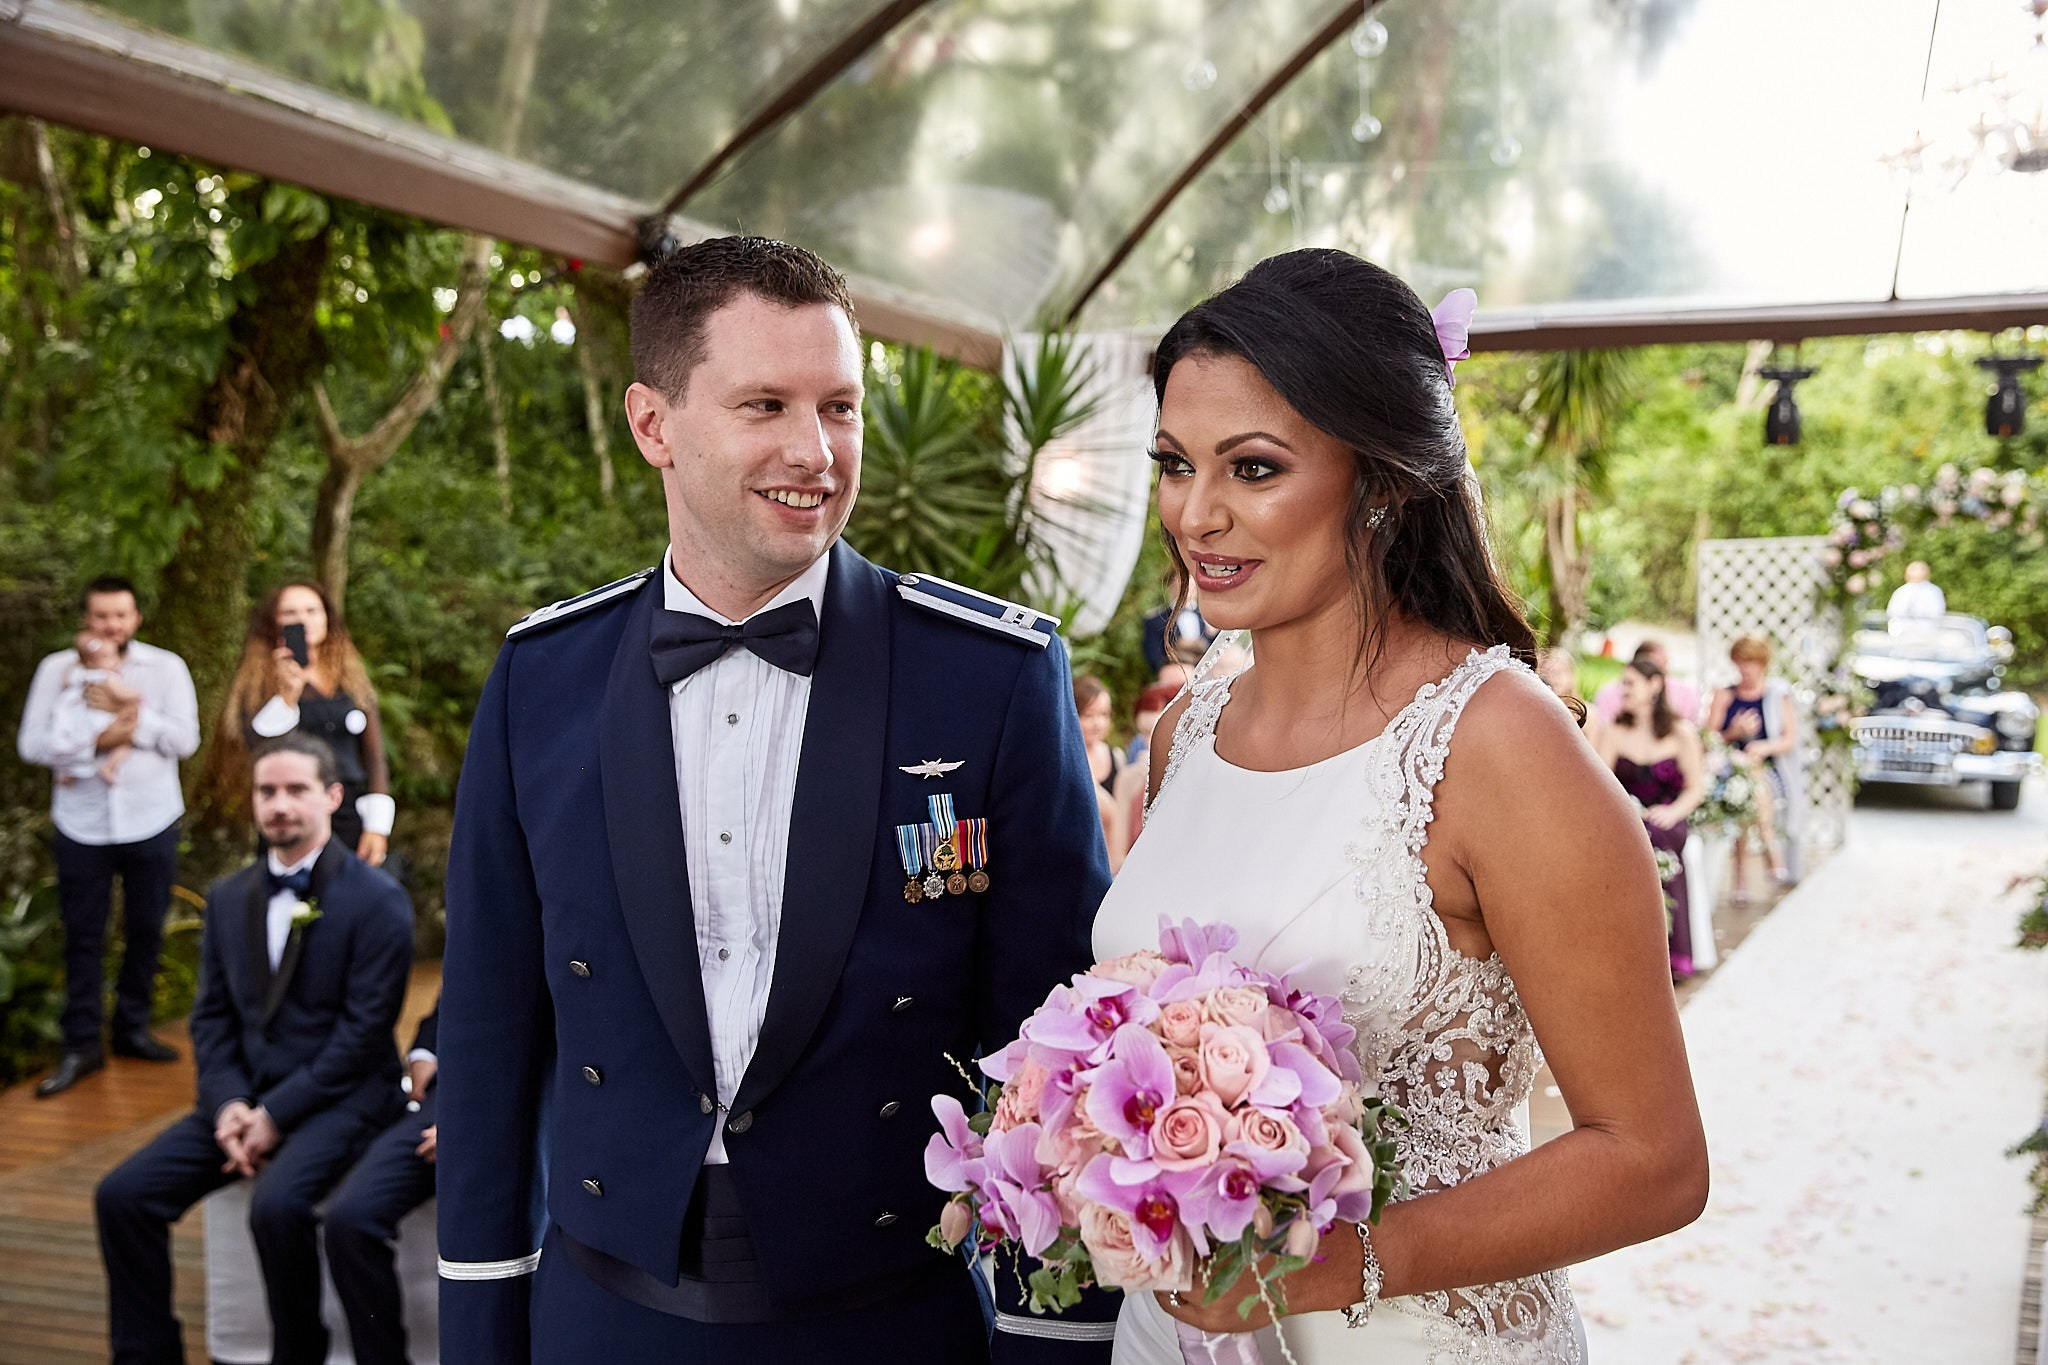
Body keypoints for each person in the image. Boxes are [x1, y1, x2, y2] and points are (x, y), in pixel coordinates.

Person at [435, 236, 1116, 1363]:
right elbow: (489, 1033)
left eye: (839, 407)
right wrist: (478, 1319)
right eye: (765, 405)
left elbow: (1051, 1039)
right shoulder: (541, 678)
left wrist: (1055, 1337)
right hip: (603, 1318)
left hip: (891, 1319)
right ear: (652, 424)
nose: (815, 451)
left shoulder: (987, 676)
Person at [1091, 249, 1706, 1363]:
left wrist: (1345, 1262)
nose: (1196, 513)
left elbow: (1653, 1160)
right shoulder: (1186, 733)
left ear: (1379, 481)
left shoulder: (1501, 748)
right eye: (1175, 464)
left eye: (1254, 468)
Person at [94, 734, 413, 1364]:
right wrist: (229, 1107)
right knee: (123, 1196)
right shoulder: (227, 895)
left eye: (296, 790)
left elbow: (363, 1036)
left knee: (277, 1206)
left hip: (344, 1098)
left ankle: (298, 1353)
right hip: (244, 1096)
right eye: (267, 791)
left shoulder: (379, 902)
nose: (279, 805)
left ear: (332, 797)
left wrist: (275, 1115)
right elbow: (211, 1018)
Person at [17, 576, 200, 1098]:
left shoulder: (165, 668)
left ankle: (132, 1029)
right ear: (86, 618)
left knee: (146, 927)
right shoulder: (57, 670)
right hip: (81, 822)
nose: (111, 625)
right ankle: (81, 1045)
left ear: (136, 617)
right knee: (82, 935)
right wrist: (101, 739)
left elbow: (184, 739)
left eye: (120, 615)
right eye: (101, 616)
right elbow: (32, 744)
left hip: (151, 817)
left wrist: (129, 714)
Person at [216, 581, 395, 864]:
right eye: (290, 613)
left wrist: (377, 827)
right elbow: (258, 746)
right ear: (274, 622)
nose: (303, 620)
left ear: (327, 617)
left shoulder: (351, 678)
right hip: (289, 813)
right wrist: (287, 697)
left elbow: (374, 757)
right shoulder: (259, 680)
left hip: (349, 812)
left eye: (312, 611)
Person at [323, 1000, 440, 1365]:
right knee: (350, 1218)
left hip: (525, 1106)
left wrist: (479, 1118)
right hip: (441, 1101)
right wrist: (425, 1053)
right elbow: (450, 1004)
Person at [1596, 658, 1708, 980]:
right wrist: (1628, 813)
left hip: (1669, 819)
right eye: (1623, 683)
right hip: (1627, 818)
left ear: (1654, 685)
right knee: (1635, 837)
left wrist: (1672, 812)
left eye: (1630, 683)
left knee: (1657, 836)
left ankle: (1674, 954)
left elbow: (1695, 790)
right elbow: (1600, 784)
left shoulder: (1681, 733)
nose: (1623, 690)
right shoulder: (1613, 732)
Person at [1706, 635, 1802, 898]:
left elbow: (1789, 739)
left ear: (1762, 664)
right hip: (1728, 770)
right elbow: (1709, 737)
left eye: (1751, 662)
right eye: (1741, 662)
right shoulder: (1725, 695)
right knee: (1744, 787)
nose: (1745, 669)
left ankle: (1741, 878)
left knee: (1750, 787)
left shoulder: (1775, 696)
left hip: (1769, 771)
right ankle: (1771, 854)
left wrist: (1763, 747)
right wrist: (1734, 733)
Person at [1074, 675, 1128, 865]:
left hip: (1112, 860)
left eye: (1104, 714)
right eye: (1089, 715)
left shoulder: (1117, 757)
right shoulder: (1066, 761)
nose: (1097, 723)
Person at [1593, 638, 1699, 725]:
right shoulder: (1608, 695)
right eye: (1653, 667)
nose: (1662, 672)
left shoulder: (1685, 692)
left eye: (1665, 664)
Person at [1140, 586, 1216, 675]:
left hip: (1209, 673)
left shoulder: (1209, 616)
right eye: (1181, 583)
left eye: (1192, 584)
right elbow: (1154, 655)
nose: (1188, 588)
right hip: (1174, 674)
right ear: (1170, 586)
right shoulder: (1155, 620)